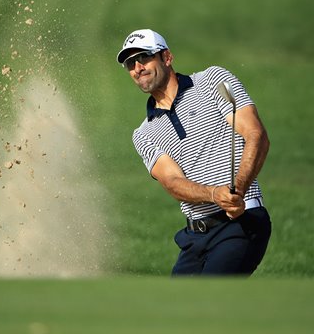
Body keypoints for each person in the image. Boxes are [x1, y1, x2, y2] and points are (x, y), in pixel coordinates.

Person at [116, 28, 272, 276]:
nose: (137, 67)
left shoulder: (214, 81)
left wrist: (238, 190)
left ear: (167, 57)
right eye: (129, 63)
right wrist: (214, 194)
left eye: (144, 57)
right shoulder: (144, 134)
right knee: (176, 310)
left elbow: (256, 135)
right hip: (195, 238)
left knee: (211, 299)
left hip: (241, 223)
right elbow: (173, 183)